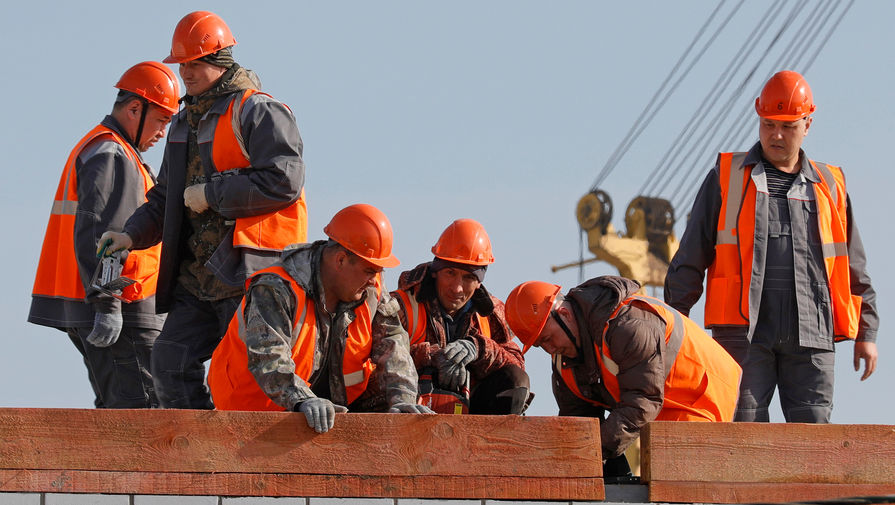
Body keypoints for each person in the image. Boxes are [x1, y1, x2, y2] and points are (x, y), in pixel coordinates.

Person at [99, 11, 307, 409]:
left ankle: (251, 463)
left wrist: (213, 194)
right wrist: (130, 235)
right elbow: (164, 197)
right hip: (197, 278)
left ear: (221, 61)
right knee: (169, 363)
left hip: (250, 273)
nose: (187, 73)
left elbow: (285, 180)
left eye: (195, 63)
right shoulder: (182, 124)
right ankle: (201, 458)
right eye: (183, 65)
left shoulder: (258, 111)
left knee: (253, 374)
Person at [664, 70, 879, 423]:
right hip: (742, 331)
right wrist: (675, 321)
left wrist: (866, 332)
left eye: (788, 126)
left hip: (812, 330)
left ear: (807, 124)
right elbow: (690, 255)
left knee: (812, 435)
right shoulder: (727, 176)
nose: (776, 135)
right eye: (768, 124)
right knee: (742, 429)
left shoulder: (831, 186)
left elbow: (852, 264)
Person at [29, 61, 180, 408]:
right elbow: (103, 233)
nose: (162, 132)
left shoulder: (112, 151)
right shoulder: (113, 154)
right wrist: (107, 303)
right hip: (124, 310)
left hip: (117, 306)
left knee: (122, 412)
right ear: (134, 109)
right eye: (160, 120)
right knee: (142, 416)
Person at [208, 204, 432, 432]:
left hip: (328, 413)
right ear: (341, 260)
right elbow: (269, 358)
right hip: (246, 417)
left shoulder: (371, 288)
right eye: (369, 270)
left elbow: (394, 343)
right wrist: (303, 399)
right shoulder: (276, 288)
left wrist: (403, 399)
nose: (374, 279)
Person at [505, 276, 740, 471]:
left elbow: (641, 402)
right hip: (659, 411)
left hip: (703, 398)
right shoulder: (564, 359)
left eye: (547, 338)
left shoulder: (629, 325)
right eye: (540, 345)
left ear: (564, 315)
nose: (549, 349)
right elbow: (580, 422)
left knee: (674, 476)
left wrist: (591, 453)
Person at [392, 219, 530, 414]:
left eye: (468, 277)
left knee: (515, 379)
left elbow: (517, 365)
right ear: (435, 272)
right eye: (450, 273)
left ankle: (490, 443)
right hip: (407, 415)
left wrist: (478, 348)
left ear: (479, 282)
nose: (457, 288)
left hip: (469, 418)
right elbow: (379, 363)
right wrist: (432, 357)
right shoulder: (400, 306)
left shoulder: (492, 315)